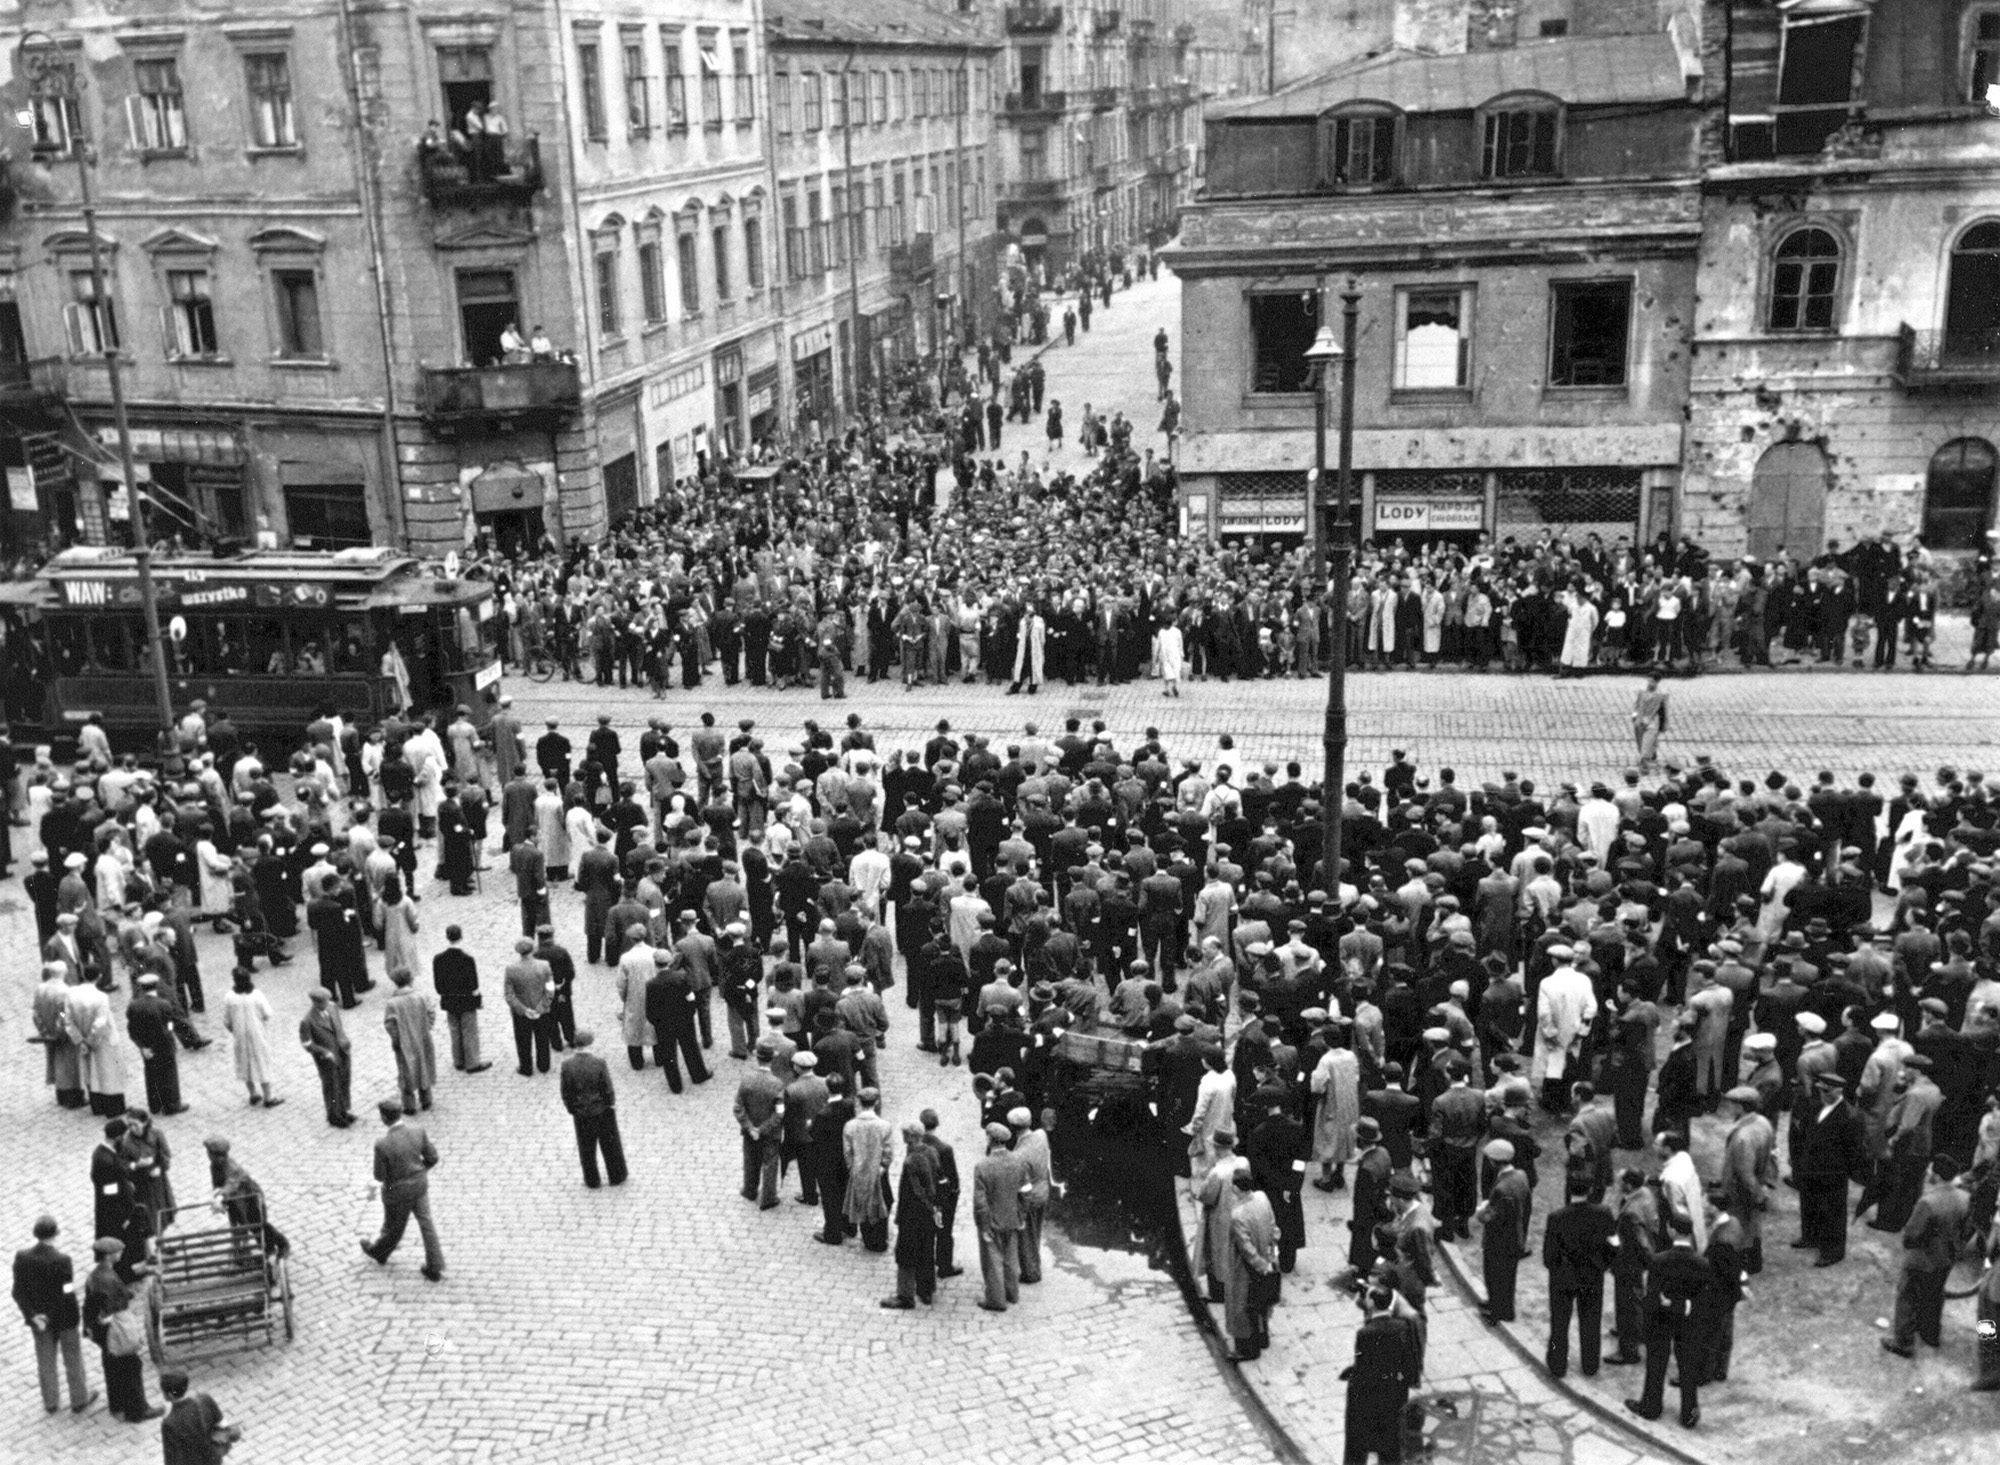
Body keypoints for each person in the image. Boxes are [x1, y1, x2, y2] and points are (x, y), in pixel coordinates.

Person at [1884, 1154, 1969, 1356]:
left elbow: (1912, 1234)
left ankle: (1903, 1343)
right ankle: (1931, 1334)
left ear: (1938, 1176)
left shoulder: (1928, 1202)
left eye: (1931, 1170)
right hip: (1945, 1258)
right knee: (1934, 1295)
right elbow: (1965, 1230)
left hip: (1921, 1259)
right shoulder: (1964, 1197)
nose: (1928, 1172)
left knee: (1907, 1297)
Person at [11, 1215, 93, 1416]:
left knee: (45, 1360)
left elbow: (18, 1292)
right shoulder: (62, 1260)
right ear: (55, 1234)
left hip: (39, 1321)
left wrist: (34, 1317)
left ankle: (50, 1402)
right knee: (72, 1358)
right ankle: (79, 1399)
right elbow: (66, 1294)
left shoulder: (22, 1257)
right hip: (64, 1318)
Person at [361, 1098, 444, 1281]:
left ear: (384, 1117)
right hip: (420, 1186)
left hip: (396, 1191)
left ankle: (379, 1252)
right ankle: (435, 1265)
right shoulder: (418, 1131)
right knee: (426, 1224)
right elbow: (432, 1157)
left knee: (394, 1227)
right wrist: (419, 1172)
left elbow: (380, 1176)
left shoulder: (382, 1144)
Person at [1341, 1284, 1421, 1465]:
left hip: (1369, 1397)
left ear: (1373, 1304)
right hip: (1394, 1394)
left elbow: (1363, 1366)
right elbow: (1409, 1360)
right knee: (1391, 1442)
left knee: (1357, 1442)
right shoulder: (1403, 1327)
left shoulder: (1365, 1333)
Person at [1542, 1182, 1616, 1378]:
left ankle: (1558, 1364)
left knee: (1559, 1324)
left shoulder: (1556, 1217)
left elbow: (1548, 1255)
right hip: (1592, 1276)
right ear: (1590, 1191)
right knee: (1591, 1323)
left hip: (1564, 1278)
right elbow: (1614, 1245)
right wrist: (1602, 1265)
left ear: (1569, 1189)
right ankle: (1590, 1365)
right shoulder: (1604, 1213)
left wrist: (1558, 1270)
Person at [82, 1235, 158, 1422]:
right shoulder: (109, 1279)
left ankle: (117, 1405)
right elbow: (117, 1303)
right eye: (118, 1252)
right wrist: (128, 1295)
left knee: (112, 1365)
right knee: (131, 1365)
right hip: (114, 1328)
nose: (121, 1254)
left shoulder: (95, 1275)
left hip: (99, 1329)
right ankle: (138, 1410)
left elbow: (89, 1304)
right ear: (109, 1256)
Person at [558, 1029, 628, 1189]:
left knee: (586, 1149)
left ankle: (592, 1180)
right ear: (590, 1045)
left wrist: (572, 1109)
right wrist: (611, 1103)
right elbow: (607, 1087)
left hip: (581, 1113)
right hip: (602, 1110)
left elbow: (565, 1091)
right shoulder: (599, 1063)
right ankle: (616, 1176)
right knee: (610, 1145)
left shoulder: (567, 1065)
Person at [882, 1122, 940, 1310]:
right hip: (929, 1215)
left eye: (904, 1134)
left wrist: (903, 1215)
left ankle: (905, 1296)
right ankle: (926, 1290)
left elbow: (915, 1191)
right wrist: (934, 1209)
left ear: (909, 1136)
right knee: (926, 1251)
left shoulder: (911, 1161)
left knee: (905, 1255)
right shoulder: (931, 1152)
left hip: (913, 1216)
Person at [1224, 1168, 1279, 1362]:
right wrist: (1270, 1258)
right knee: (1262, 1303)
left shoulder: (1237, 1215)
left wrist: (1261, 1266)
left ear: (1237, 1188)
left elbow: (1246, 1248)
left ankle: (1248, 1349)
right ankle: (1263, 1337)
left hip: (1246, 1269)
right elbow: (1273, 1225)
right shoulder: (1262, 1198)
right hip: (1266, 1256)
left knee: (1243, 1307)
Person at [972, 1120, 1026, 1313]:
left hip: (993, 1222)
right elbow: (1025, 1191)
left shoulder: (983, 1166)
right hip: (1013, 1219)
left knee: (993, 1262)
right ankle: (1012, 1293)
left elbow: (980, 1202)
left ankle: (996, 1300)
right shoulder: (1017, 1160)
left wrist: (984, 1227)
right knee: (1011, 1259)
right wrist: (1021, 1216)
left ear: (989, 1139)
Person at [1475, 1137, 1532, 1323]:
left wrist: (1481, 1210)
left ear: (1493, 1162)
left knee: (1495, 1276)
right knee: (1508, 1277)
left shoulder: (1501, 1188)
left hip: (1499, 1241)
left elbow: (1488, 1217)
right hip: (1515, 1236)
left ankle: (1497, 1312)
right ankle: (1501, 1307)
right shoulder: (1521, 1176)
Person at [733, 1040, 786, 1209]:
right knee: (770, 1163)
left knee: (750, 1160)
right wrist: (762, 1129)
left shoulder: (746, 1079)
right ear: (772, 1059)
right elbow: (779, 1113)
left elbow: (738, 1107)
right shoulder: (777, 1084)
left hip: (749, 1132)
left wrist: (750, 1128)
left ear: (757, 1057)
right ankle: (768, 1197)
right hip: (770, 1133)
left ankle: (749, 1190)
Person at [433, 925, 492, 1075]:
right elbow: (474, 985)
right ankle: (472, 1063)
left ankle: (458, 1060)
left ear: (447, 937)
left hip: (449, 1000)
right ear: (461, 936)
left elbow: (438, 986)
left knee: (454, 1031)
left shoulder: (438, 959)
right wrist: (478, 1000)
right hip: (466, 1001)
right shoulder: (467, 959)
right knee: (469, 1031)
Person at [220, 967, 282, 1108]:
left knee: (244, 1063)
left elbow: (226, 1021)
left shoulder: (229, 997)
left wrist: (234, 1030)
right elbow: (267, 1013)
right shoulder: (257, 995)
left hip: (240, 1036)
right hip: (257, 1035)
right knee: (262, 1062)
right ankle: (268, 1097)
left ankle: (253, 1094)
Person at [126, 972, 186, 1115]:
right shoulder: (163, 1004)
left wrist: (143, 1046)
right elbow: (170, 1024)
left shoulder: (134, 1006)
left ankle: (155, 1105)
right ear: (156, 986)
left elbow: (132, 1030)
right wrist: (170, 1033)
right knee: (169, 1074)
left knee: (151, 1073)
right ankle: (172, 1105)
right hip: (164, 1045)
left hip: (146, 1047)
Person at [843, 1086, 895, 1250]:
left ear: (859, 1102)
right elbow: (888, 1152)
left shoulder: (850, 1126)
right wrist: (881, 1168)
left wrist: (853, 1169)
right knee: (883, 1201)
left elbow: (848, 1152)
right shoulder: (884, 1125)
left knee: (862, 1202)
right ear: (877, 1102)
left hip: (858, 1173)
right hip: (878, 1172)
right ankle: (880, 1238)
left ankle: (868, 1237)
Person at [382, 969, 438, 1115]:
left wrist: (396, 1038)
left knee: (406, 1071)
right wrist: (426, 1028)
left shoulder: (392, 1003)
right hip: (422, 1038)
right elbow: (431, 1013)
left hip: (404, 1042)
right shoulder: (421, 996)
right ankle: (426, 1100)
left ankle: (409, 1105)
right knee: (423, 1066)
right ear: (411, 980)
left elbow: (389, 1024)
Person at [298, 987, 355, 1128]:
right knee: (332, 1087)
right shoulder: (307, 1021)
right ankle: (333, 1115)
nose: (328, 1003)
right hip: (327, 1060)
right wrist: (323, 1052)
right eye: (325, 1001)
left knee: (343, 1081)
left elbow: (339, 1026)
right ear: (316, 1003)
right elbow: (307, 1044)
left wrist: (345, 1040)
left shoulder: (332, 1007)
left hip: (342, 1050)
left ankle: (343, 1110)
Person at [159, 1367, 239, 1463]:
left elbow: (172, 1458)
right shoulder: (205, 1399)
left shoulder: (169, 1423)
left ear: (169, 1395)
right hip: (213, 1458)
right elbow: (223, 1425)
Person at [1008, 1107, 1052, 1284]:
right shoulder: (1041, 1135)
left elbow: (1018, 1185)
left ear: (1012, 1128)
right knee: (1036, 1232)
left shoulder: (1018, 1155)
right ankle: (1034, 1262)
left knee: (1026, 1236)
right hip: (1043, 1189)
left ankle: (1031, 1273)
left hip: (1030, 1197)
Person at [503, 937, 556, 1077]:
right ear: (532, 949)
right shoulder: (544, 965)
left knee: (523, 1041)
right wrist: (541, 1007)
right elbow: (550, 989)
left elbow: (509, 995)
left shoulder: (511, 969)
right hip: (542, 1010)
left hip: (521, 1013)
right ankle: (544, 1065)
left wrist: (524, 1010)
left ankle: (526, 1068)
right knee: (543, 1038)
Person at [1631, 675, 1668, 772]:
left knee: (1648, 740)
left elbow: (1665, 709)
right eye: (1649, 681)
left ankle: (1645, 761)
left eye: (1653, 681)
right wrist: (1634, 715)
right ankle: (1651, 753)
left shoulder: (1662, 694)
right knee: (1640, 740)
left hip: (1653, 720)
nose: (1650, 683)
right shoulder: (1641, 691)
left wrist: (1665, 722)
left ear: (1657, 682)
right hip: (1640, 719)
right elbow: (1636, 704)